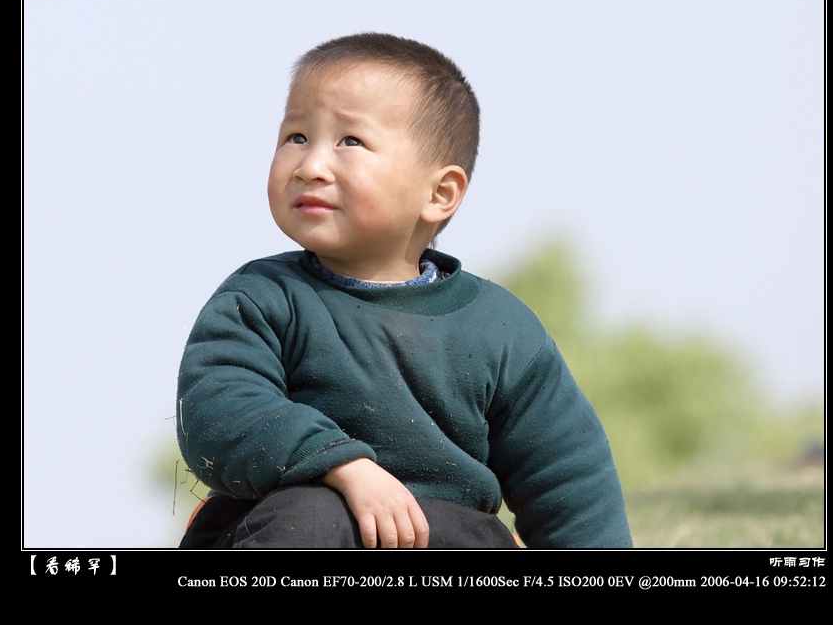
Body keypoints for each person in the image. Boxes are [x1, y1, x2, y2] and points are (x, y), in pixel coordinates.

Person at [177, 33, 632, 549]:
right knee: (310, 517)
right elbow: (219, 410)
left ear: (439, 193)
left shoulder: (501, 328)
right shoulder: (262, 297)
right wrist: (343, 466)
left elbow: (569, 476)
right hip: (293, 526)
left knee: (474, 538)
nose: (310, 166)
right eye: (296, 137)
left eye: (350, 141)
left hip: (441, 533)